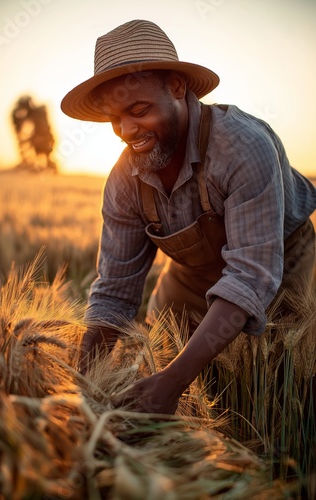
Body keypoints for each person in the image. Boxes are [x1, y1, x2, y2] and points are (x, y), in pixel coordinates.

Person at [61, 19, 316, 414]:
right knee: (167, 367)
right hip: (190, 276)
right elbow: (115, 290)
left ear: (177, 88)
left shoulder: (243, 148)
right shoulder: (124, 181)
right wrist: (82, 390)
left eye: (139, 109)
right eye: (115, 119)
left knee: (281, 392)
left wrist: (175, 382)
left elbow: (250, 276)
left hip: (283, 266)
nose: (127, 130)